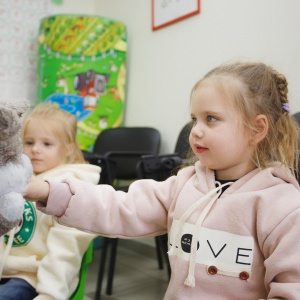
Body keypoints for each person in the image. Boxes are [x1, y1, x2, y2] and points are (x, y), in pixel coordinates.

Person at [24, 62, 300, 299]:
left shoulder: (283, 208)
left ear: (257, 128)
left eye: (211, 119)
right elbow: (121, 207)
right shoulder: (184, 184)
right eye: (194, 120)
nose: (196, 131)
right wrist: (47, 191)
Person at [0, 103, 101, 300]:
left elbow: (66, 248)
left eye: (47, 144)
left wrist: (50, 294)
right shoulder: (15, 179)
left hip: (32, 277)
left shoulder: (71, 189)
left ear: (69, 148)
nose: (36, 150)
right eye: (29, 142)